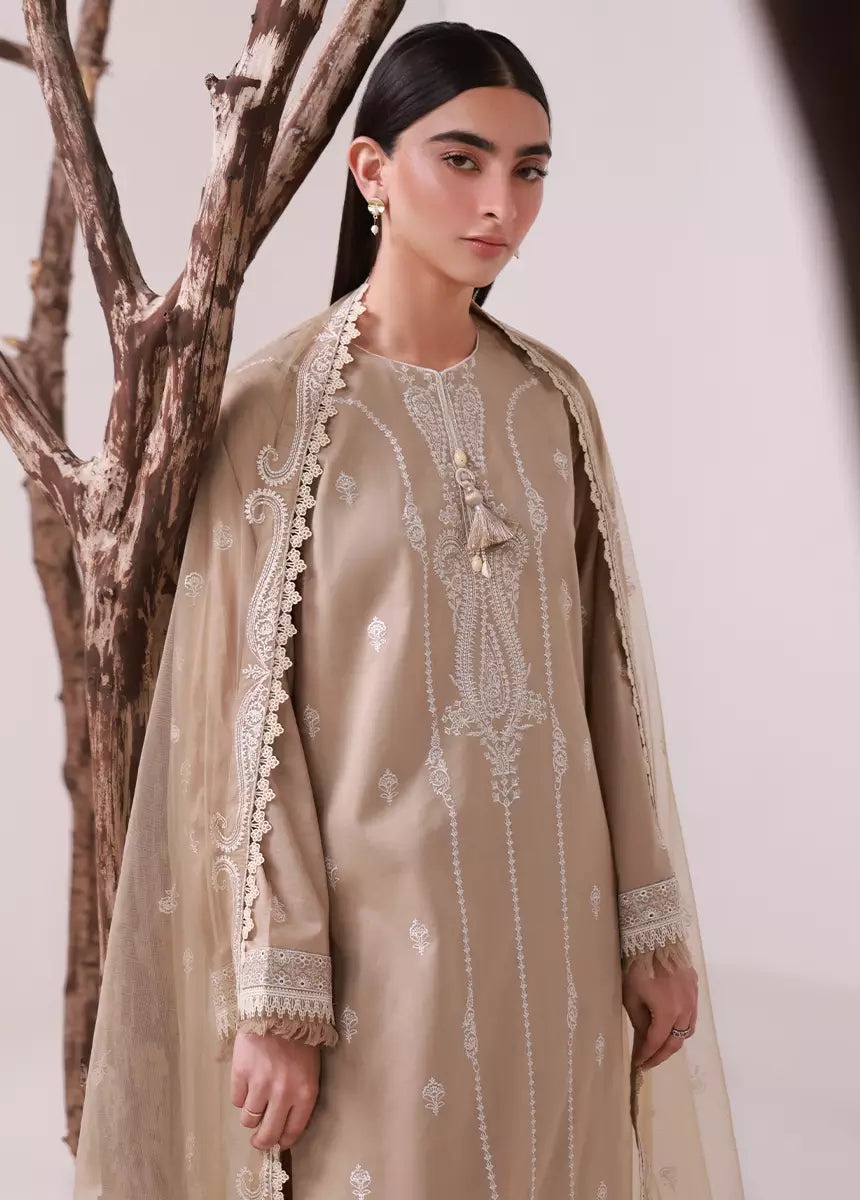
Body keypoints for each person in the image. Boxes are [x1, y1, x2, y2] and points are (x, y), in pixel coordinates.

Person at [73, 21, 744, 1200]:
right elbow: (247, 722)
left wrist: (650, 928)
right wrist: (278, 993)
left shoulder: (551, 404)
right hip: (380, 960)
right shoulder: (275, 412)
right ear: (372, 169)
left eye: (529, 169)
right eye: (463, 159)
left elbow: (610, 685)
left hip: (563, 937)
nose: (501, 203)